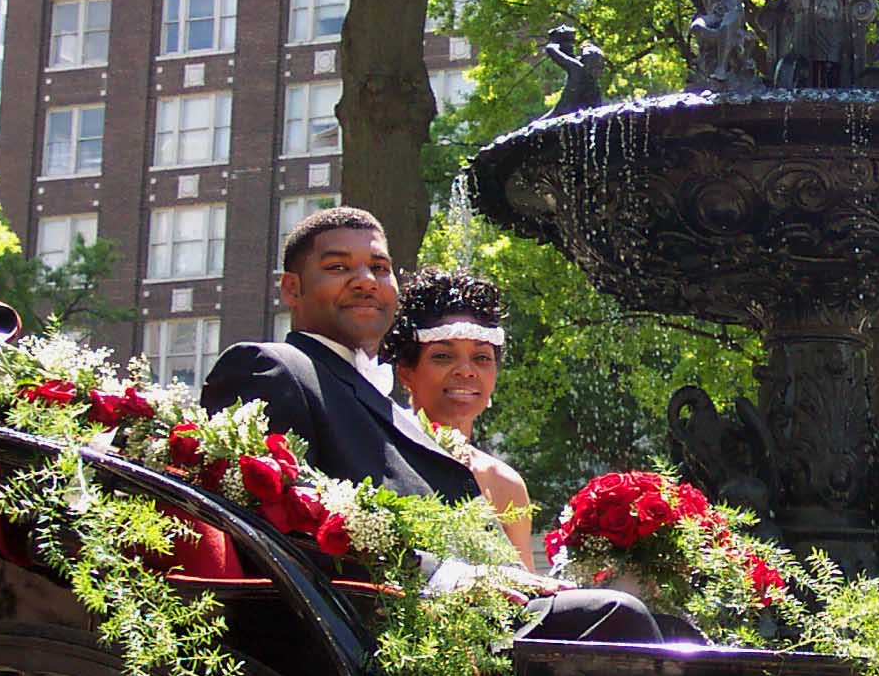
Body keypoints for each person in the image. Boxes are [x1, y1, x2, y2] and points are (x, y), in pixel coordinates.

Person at [201, 207, 672, 642]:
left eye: (379, 268)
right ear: (291, 289)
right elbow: (269, 529)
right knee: (615, 617)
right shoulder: (274, 368)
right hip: (380, 628)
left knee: (675, 633)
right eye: (339, 267)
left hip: (456, 615)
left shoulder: (373, 398)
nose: (365, 280)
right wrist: (445, 575)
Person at [379, 268, 535, 571]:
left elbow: (531, 596)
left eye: (481, 358)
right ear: (406, 372)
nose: (466, 371)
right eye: (443, 357)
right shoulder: (380, 457)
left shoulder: (506, 484)